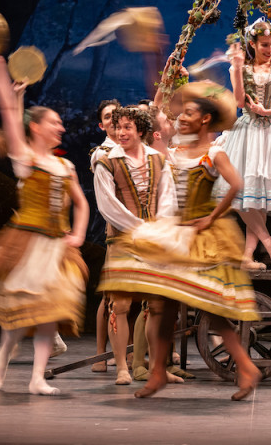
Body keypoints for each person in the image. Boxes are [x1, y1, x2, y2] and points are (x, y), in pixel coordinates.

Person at [99, 81, 262, 400]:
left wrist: (212, 217)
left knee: (211, 309)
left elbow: (237, 185)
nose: (183, 118)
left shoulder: (213, 152)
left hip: (203, 235)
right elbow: (157, 128)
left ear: (204, 119)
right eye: (182, 113)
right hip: (177, 231)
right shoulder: (173, 153)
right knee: (162, 306)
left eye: (189, 113)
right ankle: (158, 371)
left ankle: (245, 366)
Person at [0, 54, 89, 395]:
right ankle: (2, 358)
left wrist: (79, 233)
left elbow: (82, 204)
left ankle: (38, 378)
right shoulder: (25, 159)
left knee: (50, 311)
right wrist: (1, 73)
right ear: (37, 127)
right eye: (55, 122)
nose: (61, 127)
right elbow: (10, 115)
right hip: (26, 243)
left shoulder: (65, 167)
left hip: (56, 246)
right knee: (21, 311)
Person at [93, 105, 177, 386]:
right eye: (118, 127)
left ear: (140, 131)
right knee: (121, 305)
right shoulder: (106, 160)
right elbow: (107, 204)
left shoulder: (157, 159)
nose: (121, 132)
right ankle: (121, 368)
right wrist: (138, 227)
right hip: (123, 239)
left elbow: (167, 197)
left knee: (156, 304)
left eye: (128, 127)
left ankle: (155, 367)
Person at [215, 18, 271, 269]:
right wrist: (235, 69)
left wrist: (266, 111)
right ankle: (269, 244)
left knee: (260, 196)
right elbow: (238, 102)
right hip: (247, 131)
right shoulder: (243, 68)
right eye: (265, 45)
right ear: (253, 44)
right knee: (243, 193)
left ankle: (249, 255)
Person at [88, 98, 120, 373]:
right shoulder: (102, 153)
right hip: (113, 228)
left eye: (116, 115)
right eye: (107, 117)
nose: (113, 120)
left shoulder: (129, 147)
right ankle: (101, 353)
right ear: (101, 124)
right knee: (109, 296)